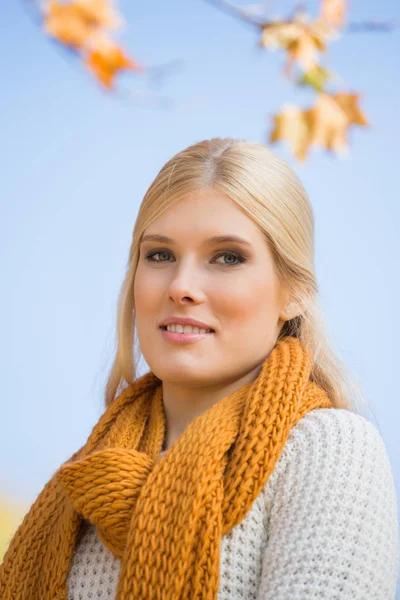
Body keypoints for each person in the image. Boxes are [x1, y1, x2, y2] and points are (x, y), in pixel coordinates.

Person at [0, 137, 398, 600]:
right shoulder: (88, 473)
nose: (181, 286)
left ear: (294, 292)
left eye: (228, 257)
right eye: (160, 255)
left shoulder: (328, 452)